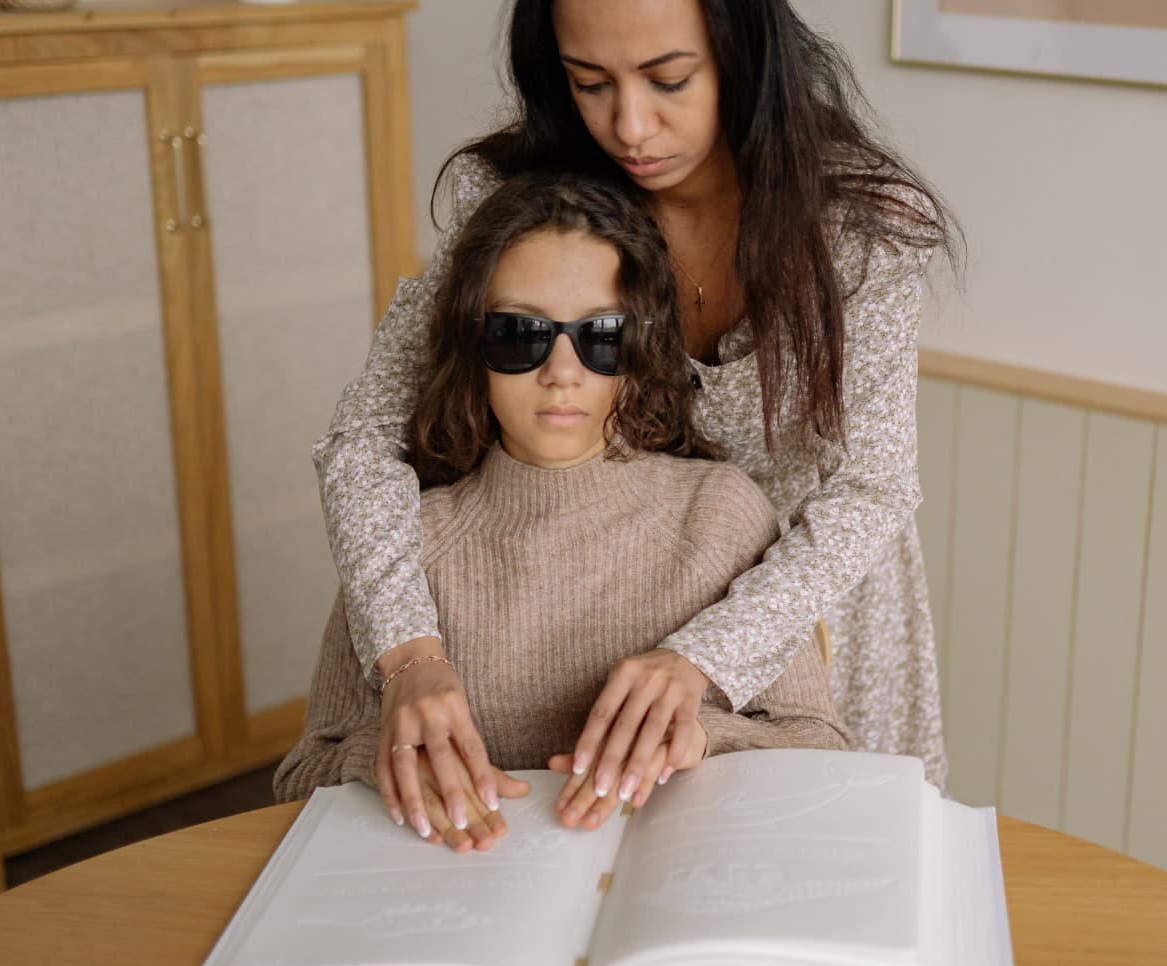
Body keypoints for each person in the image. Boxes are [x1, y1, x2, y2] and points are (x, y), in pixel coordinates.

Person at [315, 0, 958, 839]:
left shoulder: (855, 225)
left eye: (669, 79)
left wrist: (707, 657)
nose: (630, 125)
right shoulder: (524, 200)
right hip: (619, 587)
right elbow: (364, 437)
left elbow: (871, 486)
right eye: (590, 83)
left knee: (815, 867)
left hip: (807, 600)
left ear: (743, 54)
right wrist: (409, 655)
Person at [278, 171, 848, 850]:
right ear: (474, 348)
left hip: (675, 888)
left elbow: (821, 745)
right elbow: (302, 773)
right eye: (521, 334)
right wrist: (381, 760)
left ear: (641, 351)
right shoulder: (401, 546)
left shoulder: (720, 514)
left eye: (602, 335)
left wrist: (704, 736)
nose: (562, 369)